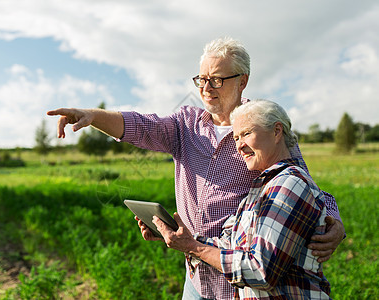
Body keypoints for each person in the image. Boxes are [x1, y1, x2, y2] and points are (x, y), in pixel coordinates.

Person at [47, 37, 344, 299]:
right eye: (201, 79)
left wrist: (334, 221)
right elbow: (141, 126)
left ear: (243, 80)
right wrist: (91, 115)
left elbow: (305, 185)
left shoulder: (262, 128)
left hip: (240, 284)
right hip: (195, 278)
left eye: (216, 79)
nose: (206, 88)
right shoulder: (185, 124)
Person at [150, 99, 331, 299]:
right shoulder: (262, 187)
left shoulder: (289, 185)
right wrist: (180, 237)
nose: (239, 146)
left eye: (246, 134)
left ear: (277, 131)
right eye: (236, 138)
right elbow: (233, 248)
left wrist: (194, 247)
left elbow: (260, 271)